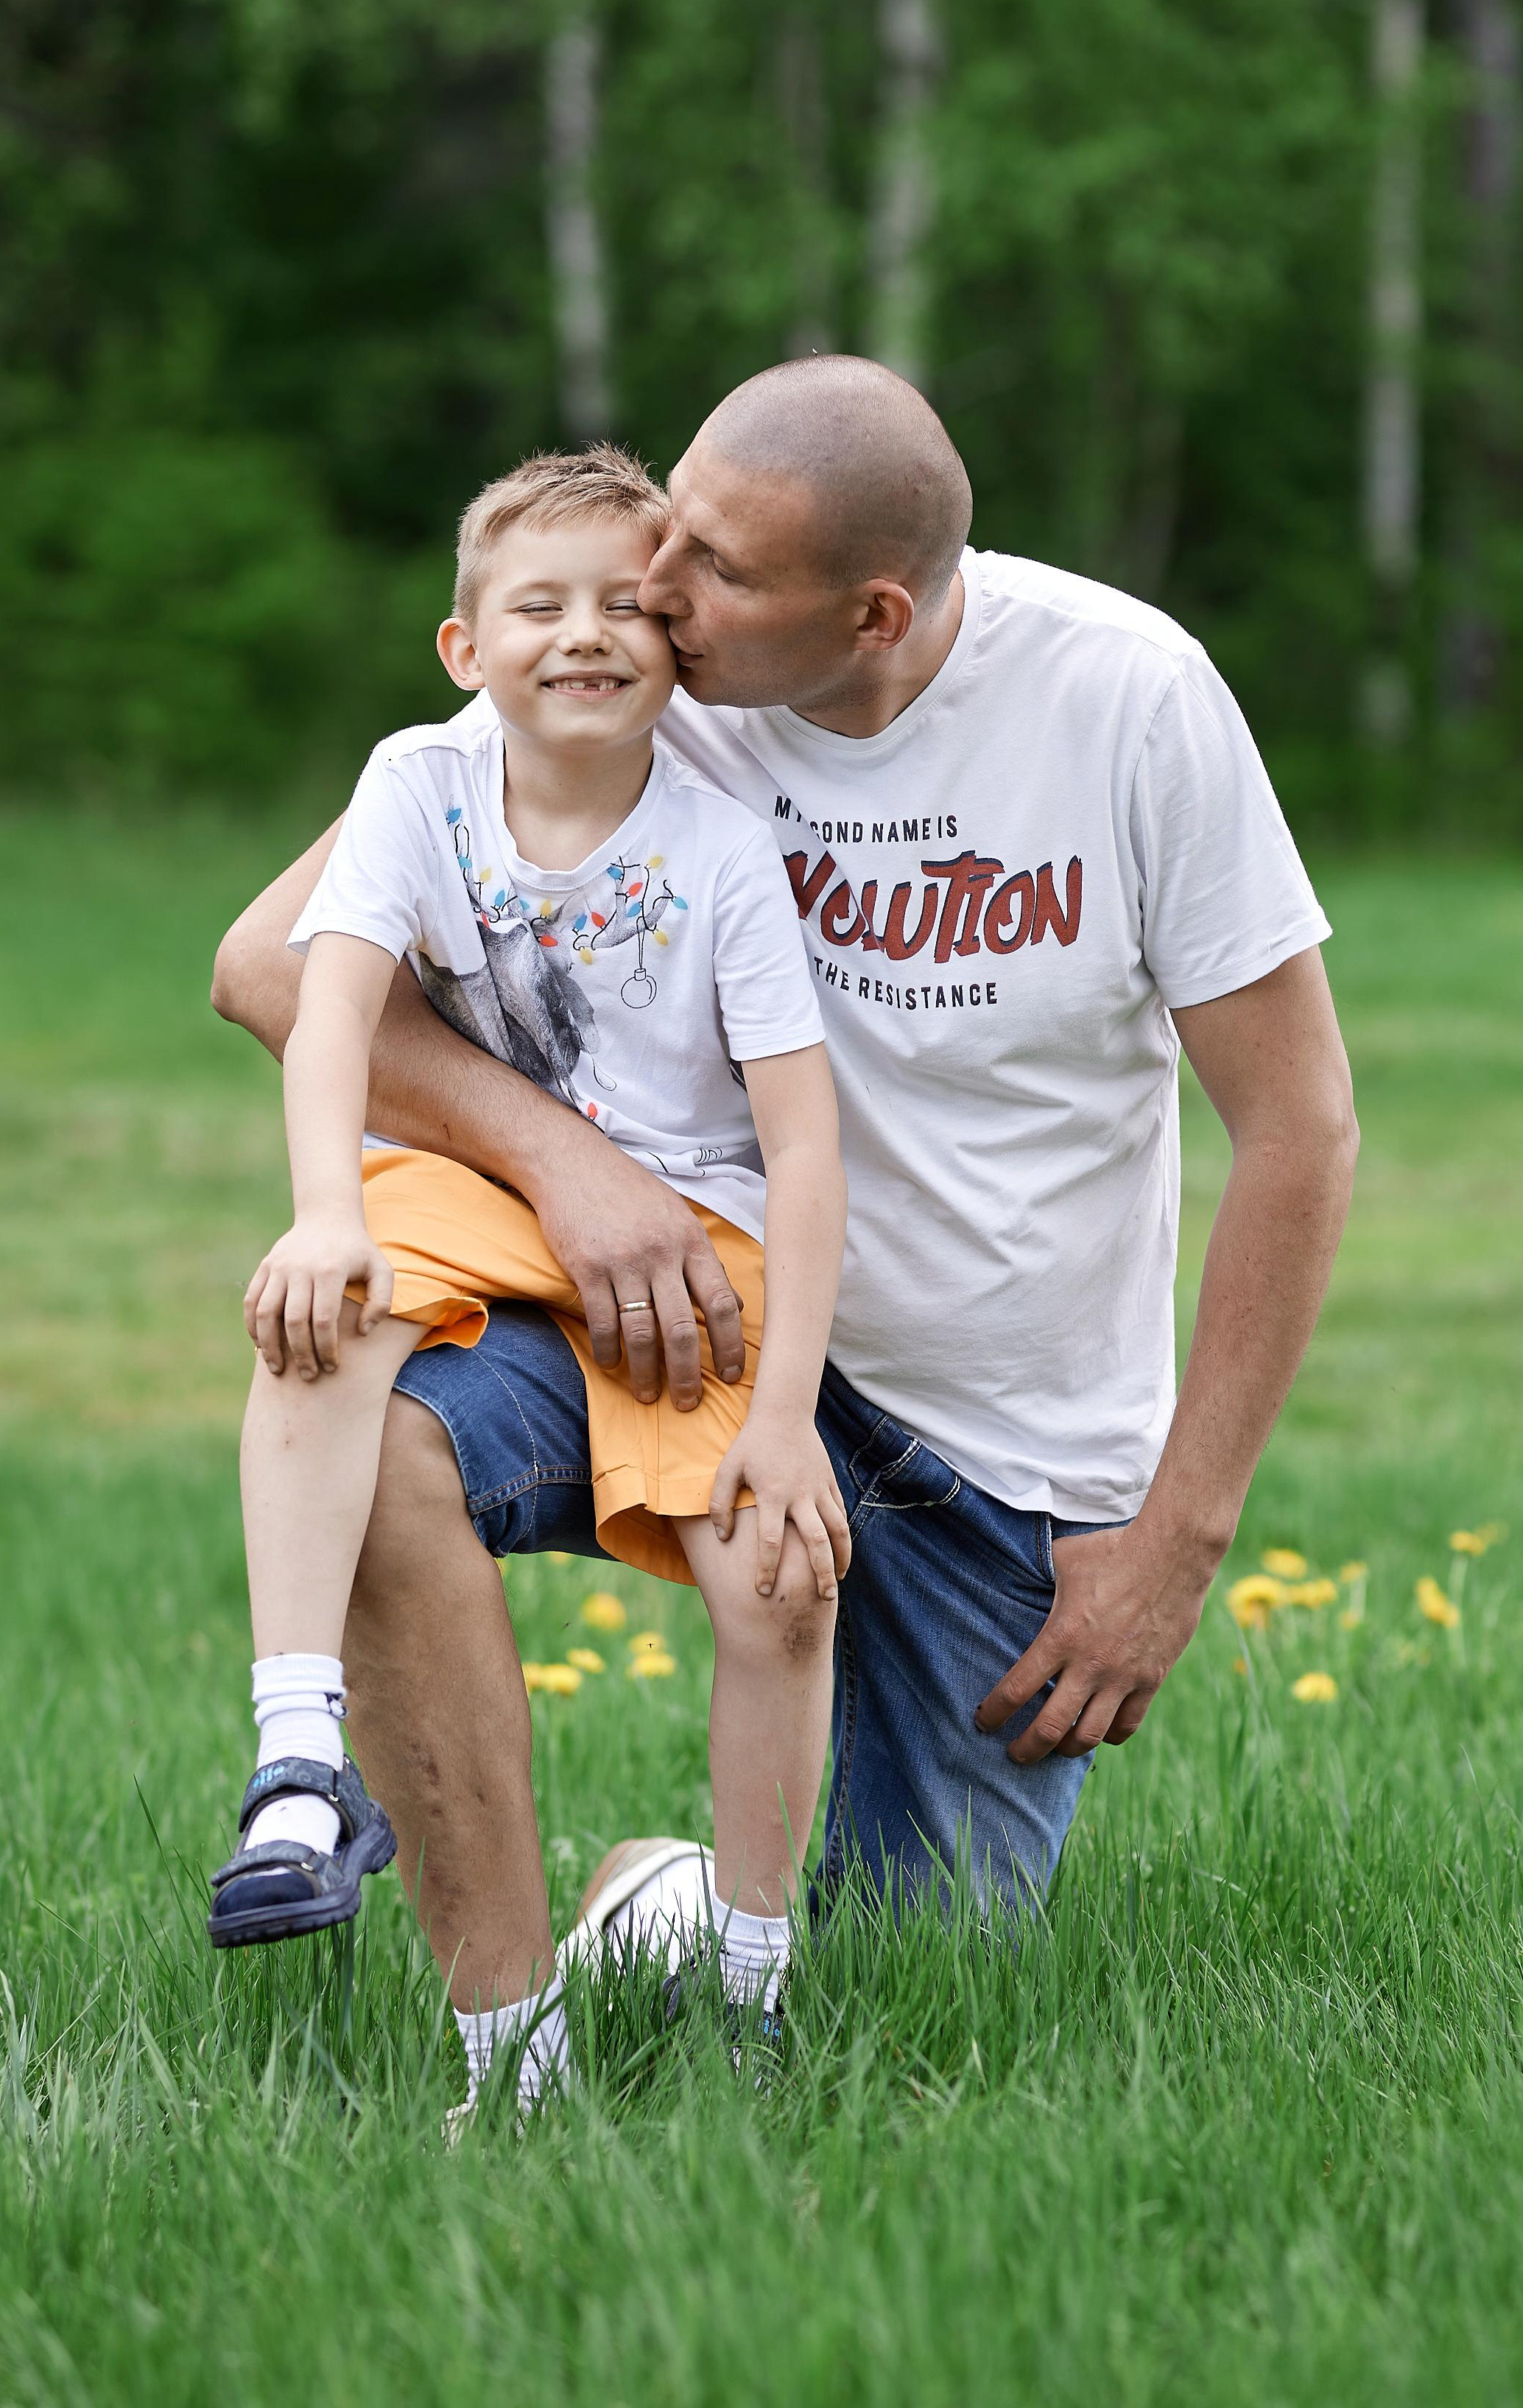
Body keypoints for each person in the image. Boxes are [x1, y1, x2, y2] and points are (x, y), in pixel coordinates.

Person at [212, 356, 1359, 2112]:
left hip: (990, 1451)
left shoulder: (1131, 705)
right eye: (669, 524)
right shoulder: (643, 668)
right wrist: (564, 1163)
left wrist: (1179, 1533)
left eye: (717, 570)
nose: (659, 589)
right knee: (387, 1449)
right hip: (681, 1324)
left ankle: (663, 1904)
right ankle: (503, 2048)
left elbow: (1296, 1129)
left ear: (870, 610)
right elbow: (271, 965)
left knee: (920, 1985)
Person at [207, 446, 847, 2109]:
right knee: (316, 1313)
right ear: (462, 643)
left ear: (678, 641)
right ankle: (295, 1760)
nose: (585, 634)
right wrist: (321, 1211)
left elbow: (803, 1148)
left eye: (628, 605)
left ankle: (754, 1993)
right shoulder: (418, 780)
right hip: (485, 1195)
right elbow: (321, 1002)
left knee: (778, 1576)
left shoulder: (721, 847)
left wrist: (784, 1418)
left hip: (693, 1243)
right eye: (537, 606)